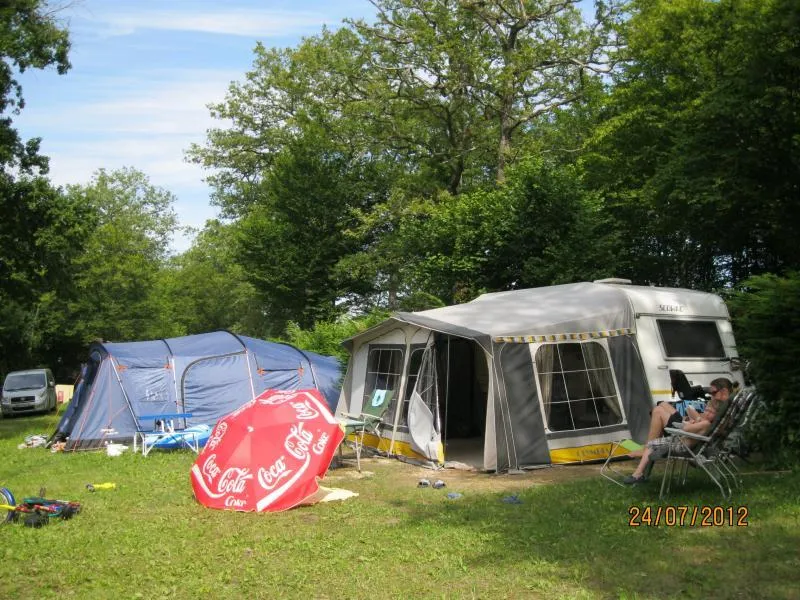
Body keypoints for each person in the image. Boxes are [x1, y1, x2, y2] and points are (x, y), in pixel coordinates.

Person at [623, 377, 734, 484]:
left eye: (713, 393)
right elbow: (707, 424)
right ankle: (642, 464)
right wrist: (696, 418)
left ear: (723, 391)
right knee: (661, 406)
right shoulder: (724, 407)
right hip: (692, 433)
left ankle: (641, 465)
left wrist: (695, 421)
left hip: (687, 439)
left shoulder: (722, 409)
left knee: (658, 411)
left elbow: (705, 426)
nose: (711, 396)